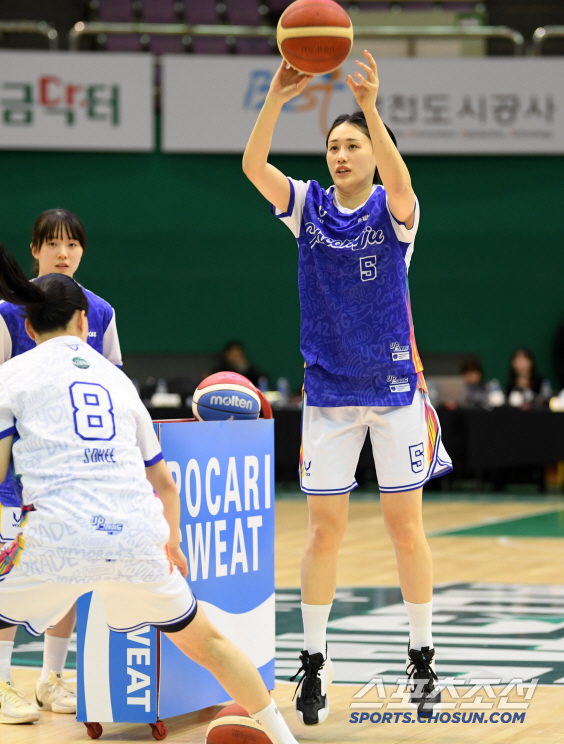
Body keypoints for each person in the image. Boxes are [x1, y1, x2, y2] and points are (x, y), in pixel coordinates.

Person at [0, 244, 300, 744]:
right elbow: (164, 483)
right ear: (85, 320)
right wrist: (171, 546)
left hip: (57, 540)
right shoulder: (120, 383)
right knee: (209, 642)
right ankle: (283, 737)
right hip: (137, 538)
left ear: (29, 327)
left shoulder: (4, 381)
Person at [243, 52, 452, 724]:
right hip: (329, 395)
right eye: (333, 145)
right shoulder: (307, 207)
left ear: (371, 148)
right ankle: (314, 666)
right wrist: (276, 97)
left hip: (393, 392)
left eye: (352, 143)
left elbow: (401, 176)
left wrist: (369, 107)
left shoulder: (395, 211)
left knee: (405, 530)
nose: (340, 153)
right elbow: (252, 167)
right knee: (322, 534)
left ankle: (421, 658)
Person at [0, 209, 122, 723]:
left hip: (75, 471)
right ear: (34, 249)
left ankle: (51, 679)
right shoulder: (4, 314)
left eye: (73, 244)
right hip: (17, 473)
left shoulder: (99, 311)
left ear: (83, 251)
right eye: (53, 243)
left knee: (72, 573)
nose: (64, 252)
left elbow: (109, 387)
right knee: (9, 575)